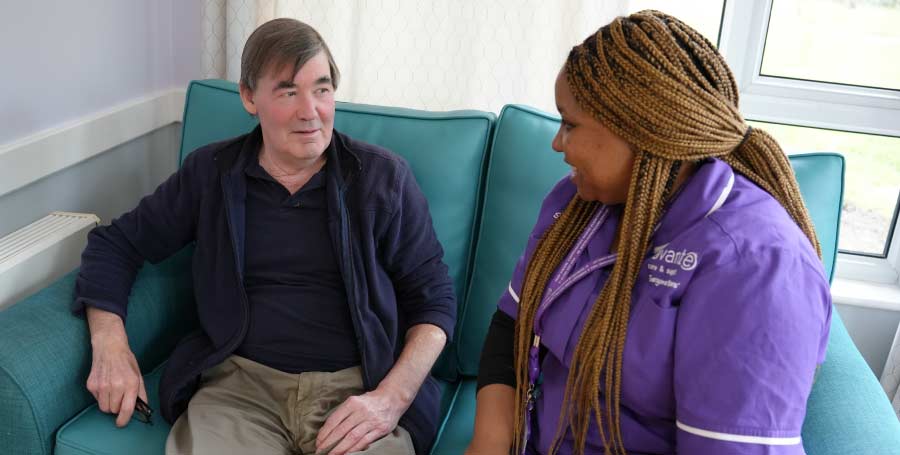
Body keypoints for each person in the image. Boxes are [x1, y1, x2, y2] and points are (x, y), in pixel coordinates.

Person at [72, 18, 456, 455]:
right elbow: (116, 244)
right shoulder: (211, 174)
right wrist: (110, 344)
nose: (310, 111)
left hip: (357, 387)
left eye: (322, 89)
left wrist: (391, 399)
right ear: (249, 97)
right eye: (289, 91)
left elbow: (435, 301)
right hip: (239, 391)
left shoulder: (383, 179)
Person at [467, 10, 831, 455]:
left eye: (570, 123)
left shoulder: (756, 265)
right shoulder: (577, 203)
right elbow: (511, 326)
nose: (557, 143)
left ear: (641, 130)